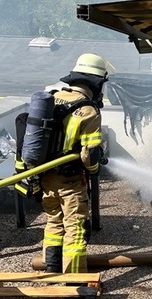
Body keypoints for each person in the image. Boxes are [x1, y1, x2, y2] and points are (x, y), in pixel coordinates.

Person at [42, 53, 113, 273]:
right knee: (75, 228)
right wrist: (94, 169)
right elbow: (89, 155)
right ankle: (73, 281)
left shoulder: (52, 98)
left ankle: (52, 269)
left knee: (54, 222)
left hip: (45, 176)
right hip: (70, 179)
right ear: (97, 83)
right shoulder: (89, 111)